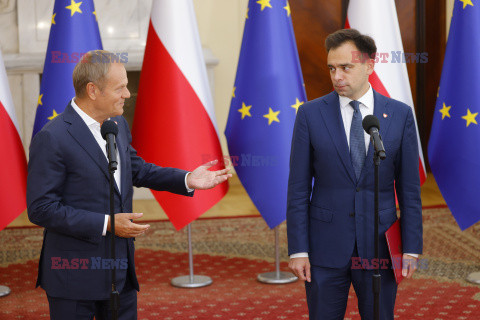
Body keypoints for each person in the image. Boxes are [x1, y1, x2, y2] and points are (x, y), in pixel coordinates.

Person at [26, 50, 231, 320]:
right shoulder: (52, 138)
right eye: (120, 87)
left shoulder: (117, 124)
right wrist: (107, 223)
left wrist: (186, 179)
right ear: (93, 90)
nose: (127, 94)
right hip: (74, 277)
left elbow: (137, 169)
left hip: (120, 273)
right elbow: (41, 208)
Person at [286, 29, 422, 319]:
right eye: (332, 68)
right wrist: (298, 249)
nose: (337, 76)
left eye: (346, 68)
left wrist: (411, 246)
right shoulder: (310, 114)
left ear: (369, 66)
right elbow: (297, 188)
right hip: (324, 246)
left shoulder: (399, 115)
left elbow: (409, 189)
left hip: (380, 246)